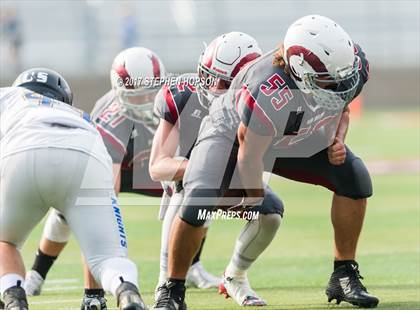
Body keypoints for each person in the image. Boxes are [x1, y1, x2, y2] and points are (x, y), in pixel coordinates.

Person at [153, 15, 379, 310]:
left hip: (290, 130)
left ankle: (344, 274)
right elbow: (250, 154)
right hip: (231, 134)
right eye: (327, 80)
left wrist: (337, 139)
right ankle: (172, 289)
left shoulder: (349, 64)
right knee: (200, 197)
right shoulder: (269, 90)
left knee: (354, 177)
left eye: (340, 78)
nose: (337, 84)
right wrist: (252, 197)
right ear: (300, 71)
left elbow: (342, 103)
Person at [151, 32, 283, 306]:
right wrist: (202, 169)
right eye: (210, 76)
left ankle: (235, 277)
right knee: (190, 191)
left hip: (232, 180)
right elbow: (158, 166)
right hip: (185, 184)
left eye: (225, 83)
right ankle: (167, 287)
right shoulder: (182, 96)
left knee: (271, 213)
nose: (213, 86)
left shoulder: (257, 102)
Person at [0, 68, 147, 310]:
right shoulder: (79, 114)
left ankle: (14, 299)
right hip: (87, 155)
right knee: (108, 257)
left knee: (5, 242)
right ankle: (127, 290)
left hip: (24, 150)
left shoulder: (10, 97)